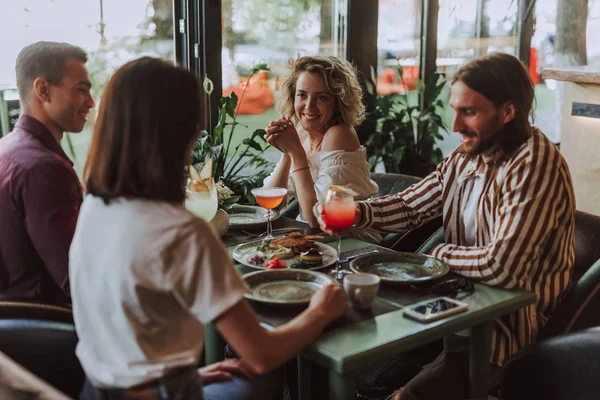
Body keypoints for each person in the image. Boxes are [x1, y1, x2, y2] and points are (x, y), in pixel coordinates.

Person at [70, 57, 348, 400]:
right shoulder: (181, 233)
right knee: (267, 377)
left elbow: (127, 329)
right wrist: (321, 311)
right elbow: (261, 355)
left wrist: (191, 374)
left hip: (96, 388)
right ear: (180, 131)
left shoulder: (94, 206)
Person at [318, 53, 576, 400]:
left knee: (387, 384)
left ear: (508, 112)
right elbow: (411, 205)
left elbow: (505, 268)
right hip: (448, 303)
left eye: (469, 111)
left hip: (505, 327)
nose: (454, 125)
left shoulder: (534, 163)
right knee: (335, 348)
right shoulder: (467, 154)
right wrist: (356, 212)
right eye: (455, 109)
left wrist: (438, 255)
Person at [0, 41, 94, 305]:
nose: (91, 102)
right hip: (52, 325)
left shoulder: (7, 149)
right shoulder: (43, 169)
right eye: (81, 90)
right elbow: (78, 282)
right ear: (43, 89)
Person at [264, 55, 379, 241]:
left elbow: (317, 220)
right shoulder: (301, 133)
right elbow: (272, 204)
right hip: (315, 242)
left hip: (350, 245)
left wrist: (295, 152)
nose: (309, 106)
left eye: (322, 97)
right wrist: (287, 151)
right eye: (302, 95)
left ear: (338, 102)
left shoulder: (339, 134)